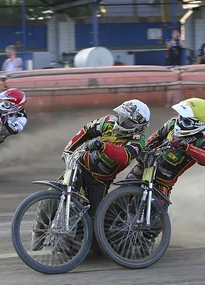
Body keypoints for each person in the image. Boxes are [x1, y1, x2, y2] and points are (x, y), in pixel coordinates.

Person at [31, 99, 151, 251]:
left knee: (94, 230)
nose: (122, 121)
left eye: (127, 121)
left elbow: (124, 157)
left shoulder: (138, 141)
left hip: (100, 182)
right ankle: (39, 229)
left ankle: (74, 246)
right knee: (53, 194)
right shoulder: (107, 122)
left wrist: (103, 146)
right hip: (80, 167)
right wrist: (68, 151)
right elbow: (85, 131)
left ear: (138, 127)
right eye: (121, 116)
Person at [126, 98, 205, 204]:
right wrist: (142, 150)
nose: (180, 121)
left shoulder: (203, 141)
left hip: (164, 182)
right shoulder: (172, 123)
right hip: (146, 166)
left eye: (185, 120)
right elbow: (157, 136)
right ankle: (107, 216)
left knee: (157, 211)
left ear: (197, 124)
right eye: (180, 116)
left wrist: (186, 147)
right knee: (124, 192)